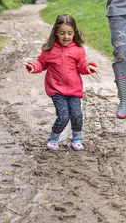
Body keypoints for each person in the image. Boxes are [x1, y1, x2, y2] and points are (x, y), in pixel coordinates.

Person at [24, 14, 100, 151]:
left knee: (76, 115)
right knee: (64, 116)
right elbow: (41, 62)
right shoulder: (49, 49)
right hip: (56, 89)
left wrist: (88, 67)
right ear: (56, 32)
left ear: (74, 33)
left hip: (74, 89)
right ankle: (53, 139)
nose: (66, 37)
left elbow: (81, 65)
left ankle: (76, 139)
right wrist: (34, 66)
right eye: (62, 33)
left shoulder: (78, 50)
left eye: (69, 33)